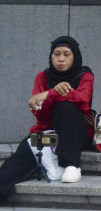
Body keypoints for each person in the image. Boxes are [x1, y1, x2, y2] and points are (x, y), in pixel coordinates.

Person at [0, 36, 93, 199]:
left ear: (75, 56)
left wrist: (49, 94)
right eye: (57, 54)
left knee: (67, 107)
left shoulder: (84, 75)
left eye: (66, 54)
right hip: (51, 137)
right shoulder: (42, 77)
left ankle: (72, 165)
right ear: (51, 56)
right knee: (18, 160)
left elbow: (83, 100)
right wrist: (53, 92)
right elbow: (40, 115)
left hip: (78, 135)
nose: (61, 59)